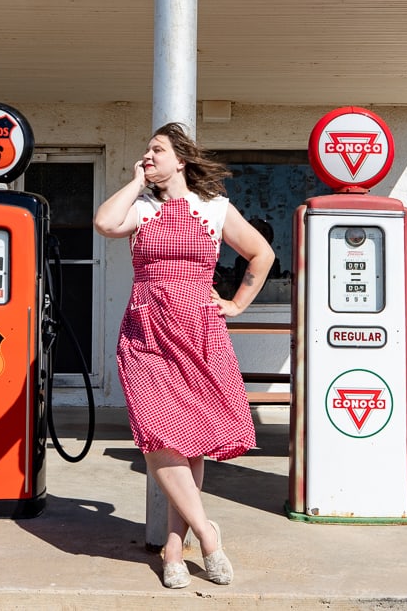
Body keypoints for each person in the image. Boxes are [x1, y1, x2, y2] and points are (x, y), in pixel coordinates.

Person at [94, 123, 275, 589]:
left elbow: (261, 255)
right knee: (157, 437)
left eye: (157, 151)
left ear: (182, 160)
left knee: (189, 440)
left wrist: (235, 304)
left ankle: (175, 547)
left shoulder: (213, 208)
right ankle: (208, 537)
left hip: (198, 331)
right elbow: (104, 223)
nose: (148, 156)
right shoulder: (142, 208)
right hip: (146, 331)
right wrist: (136, 180)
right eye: (146, 151)